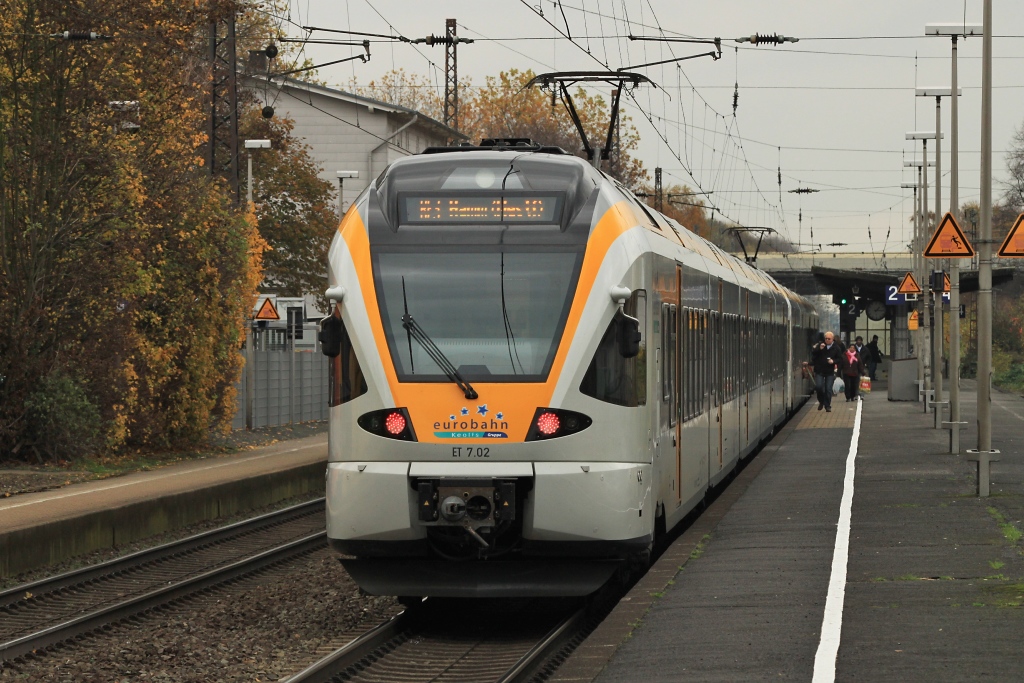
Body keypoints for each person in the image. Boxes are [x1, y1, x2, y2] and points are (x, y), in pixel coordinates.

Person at [811, 331, 844, 412]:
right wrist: (819, 349)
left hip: (829, 371)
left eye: (829, 339)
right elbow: (813, 355)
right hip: (819, 370)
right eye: (826, 338)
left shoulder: (836, 348)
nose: (827, 340)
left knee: (828, 389)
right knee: (819, 387)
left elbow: (840, 359)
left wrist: (833, 361)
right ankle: (821, 401)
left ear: (832, 339)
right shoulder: (821, 345)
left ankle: (827, 405)